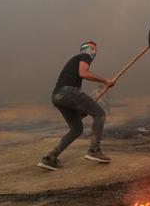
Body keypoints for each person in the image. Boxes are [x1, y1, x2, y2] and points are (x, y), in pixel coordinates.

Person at [38, 41, 115, 171]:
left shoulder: (75, 60)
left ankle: (50, 158)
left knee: (76, 129)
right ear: (87, 49)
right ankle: (94, 150)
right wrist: (104, 80)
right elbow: (83, 73)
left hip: (57, 96)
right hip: (68, 92)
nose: (95, 52)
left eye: (95, 50)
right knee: (99, 114)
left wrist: (82, 110)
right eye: (93, 49)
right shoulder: (84, 56)